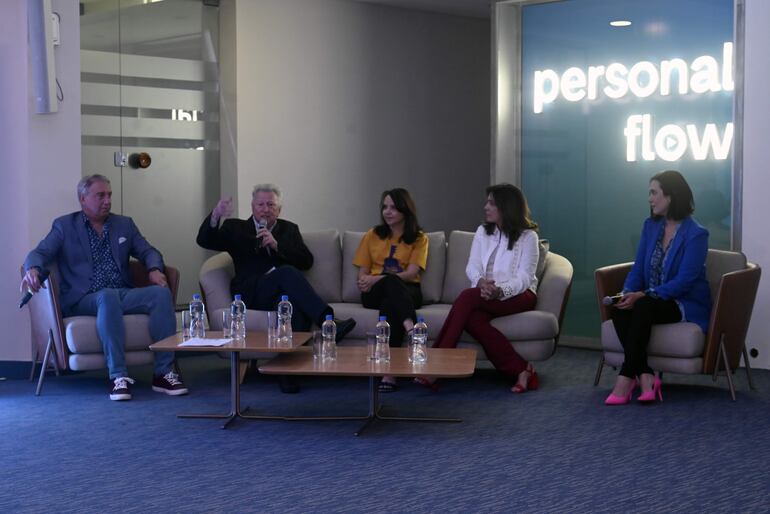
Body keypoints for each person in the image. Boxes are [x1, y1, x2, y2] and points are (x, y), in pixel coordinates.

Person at [21, 174, 187, 401]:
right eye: (100, 195)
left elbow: (148, 251)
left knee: (159, 294)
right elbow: (39, 253)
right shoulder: (64, 226)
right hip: (84, 298)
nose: (107, 200)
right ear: (82, 199)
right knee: (106, 297)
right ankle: (118, 376)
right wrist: (33, 270)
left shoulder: (124, 224)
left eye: (109, 195)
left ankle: (164, 373)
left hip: (122, 293)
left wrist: (154, 269)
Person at [196, 184, 356, 380]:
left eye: (271, 204)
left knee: (291, 304)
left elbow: (306, 261)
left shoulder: (289, 229)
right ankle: (327, 321)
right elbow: (204, 240)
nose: (265, 209)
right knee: (286, 272)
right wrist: (216, 214)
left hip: (279, 293)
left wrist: (277, 245)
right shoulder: (236, 228)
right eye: (261, 204)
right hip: (252, 292)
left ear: (279, 209)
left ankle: (288, 373)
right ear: (253, 207)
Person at [417, 184, 540, 393]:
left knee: (466, 297)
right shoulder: (484, 231)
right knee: (473, 319)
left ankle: (436, 365)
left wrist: (500, 291)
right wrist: (482, 283)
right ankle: (521, 369)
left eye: (491, 203)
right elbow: (472, 265)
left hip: (519, 294)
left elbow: (524, 278)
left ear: (506, 207)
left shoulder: (528, 237)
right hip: (484, 293)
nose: (486, 207)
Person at [605, 170, 711, 405]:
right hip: (650, 301)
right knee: (620, 309)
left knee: (642, 306)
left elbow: (685, 281)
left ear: (671, 196)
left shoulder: (697, 234)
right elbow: (638, 268)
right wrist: (626, 294)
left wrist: (644, 295)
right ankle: (645, 375)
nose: (650, 199)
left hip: (683, 302)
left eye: (654, 193)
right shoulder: (650, 226)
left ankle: (625, 376)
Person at [353, 188, 428, 392]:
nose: (387, 212)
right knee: (389, 284)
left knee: (390, 298)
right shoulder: (372, 235)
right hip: (374, 293)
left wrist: (378, 279)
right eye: (385, 207)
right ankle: (412, 330)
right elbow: (362, 274)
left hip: (407, 290)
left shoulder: (419, 238)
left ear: (405, 210)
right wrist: (367, 281)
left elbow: (412, 273)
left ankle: (389, 373)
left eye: (393, 207)